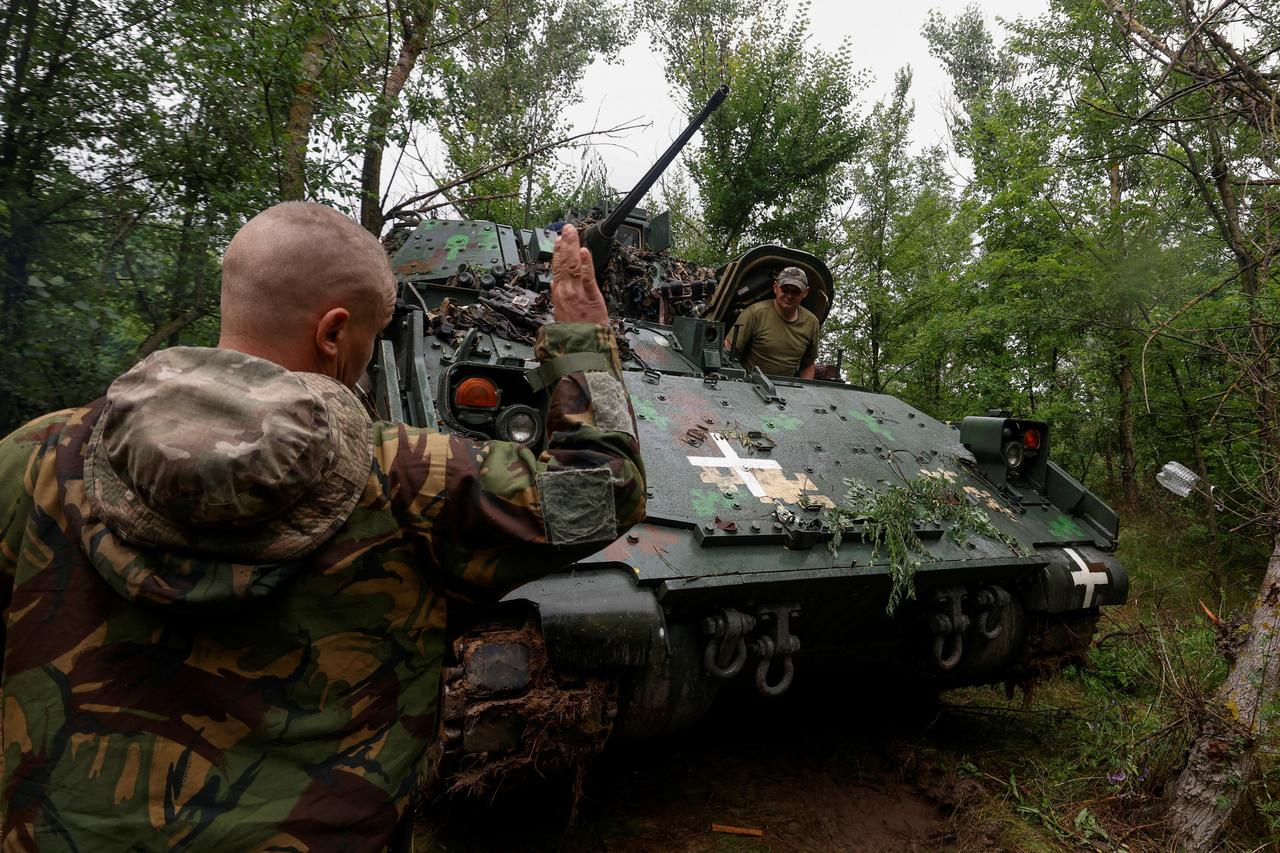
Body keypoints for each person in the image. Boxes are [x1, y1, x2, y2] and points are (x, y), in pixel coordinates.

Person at [0, 203, 645, 851]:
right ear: (334, 333)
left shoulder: (37, 457)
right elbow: (602, 490)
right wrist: (581, 336)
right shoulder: (407, 478)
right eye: (372, 337)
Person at [726, 266, 820, 379]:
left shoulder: (811, 322)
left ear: (805, 293)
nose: (789, 296)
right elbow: (728, 352)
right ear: (776, 287)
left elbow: (808, 364)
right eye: (785, 290)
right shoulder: (755, 314)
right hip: (750, 386)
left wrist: (805, 392)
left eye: (795, 292)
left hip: (788, 390)